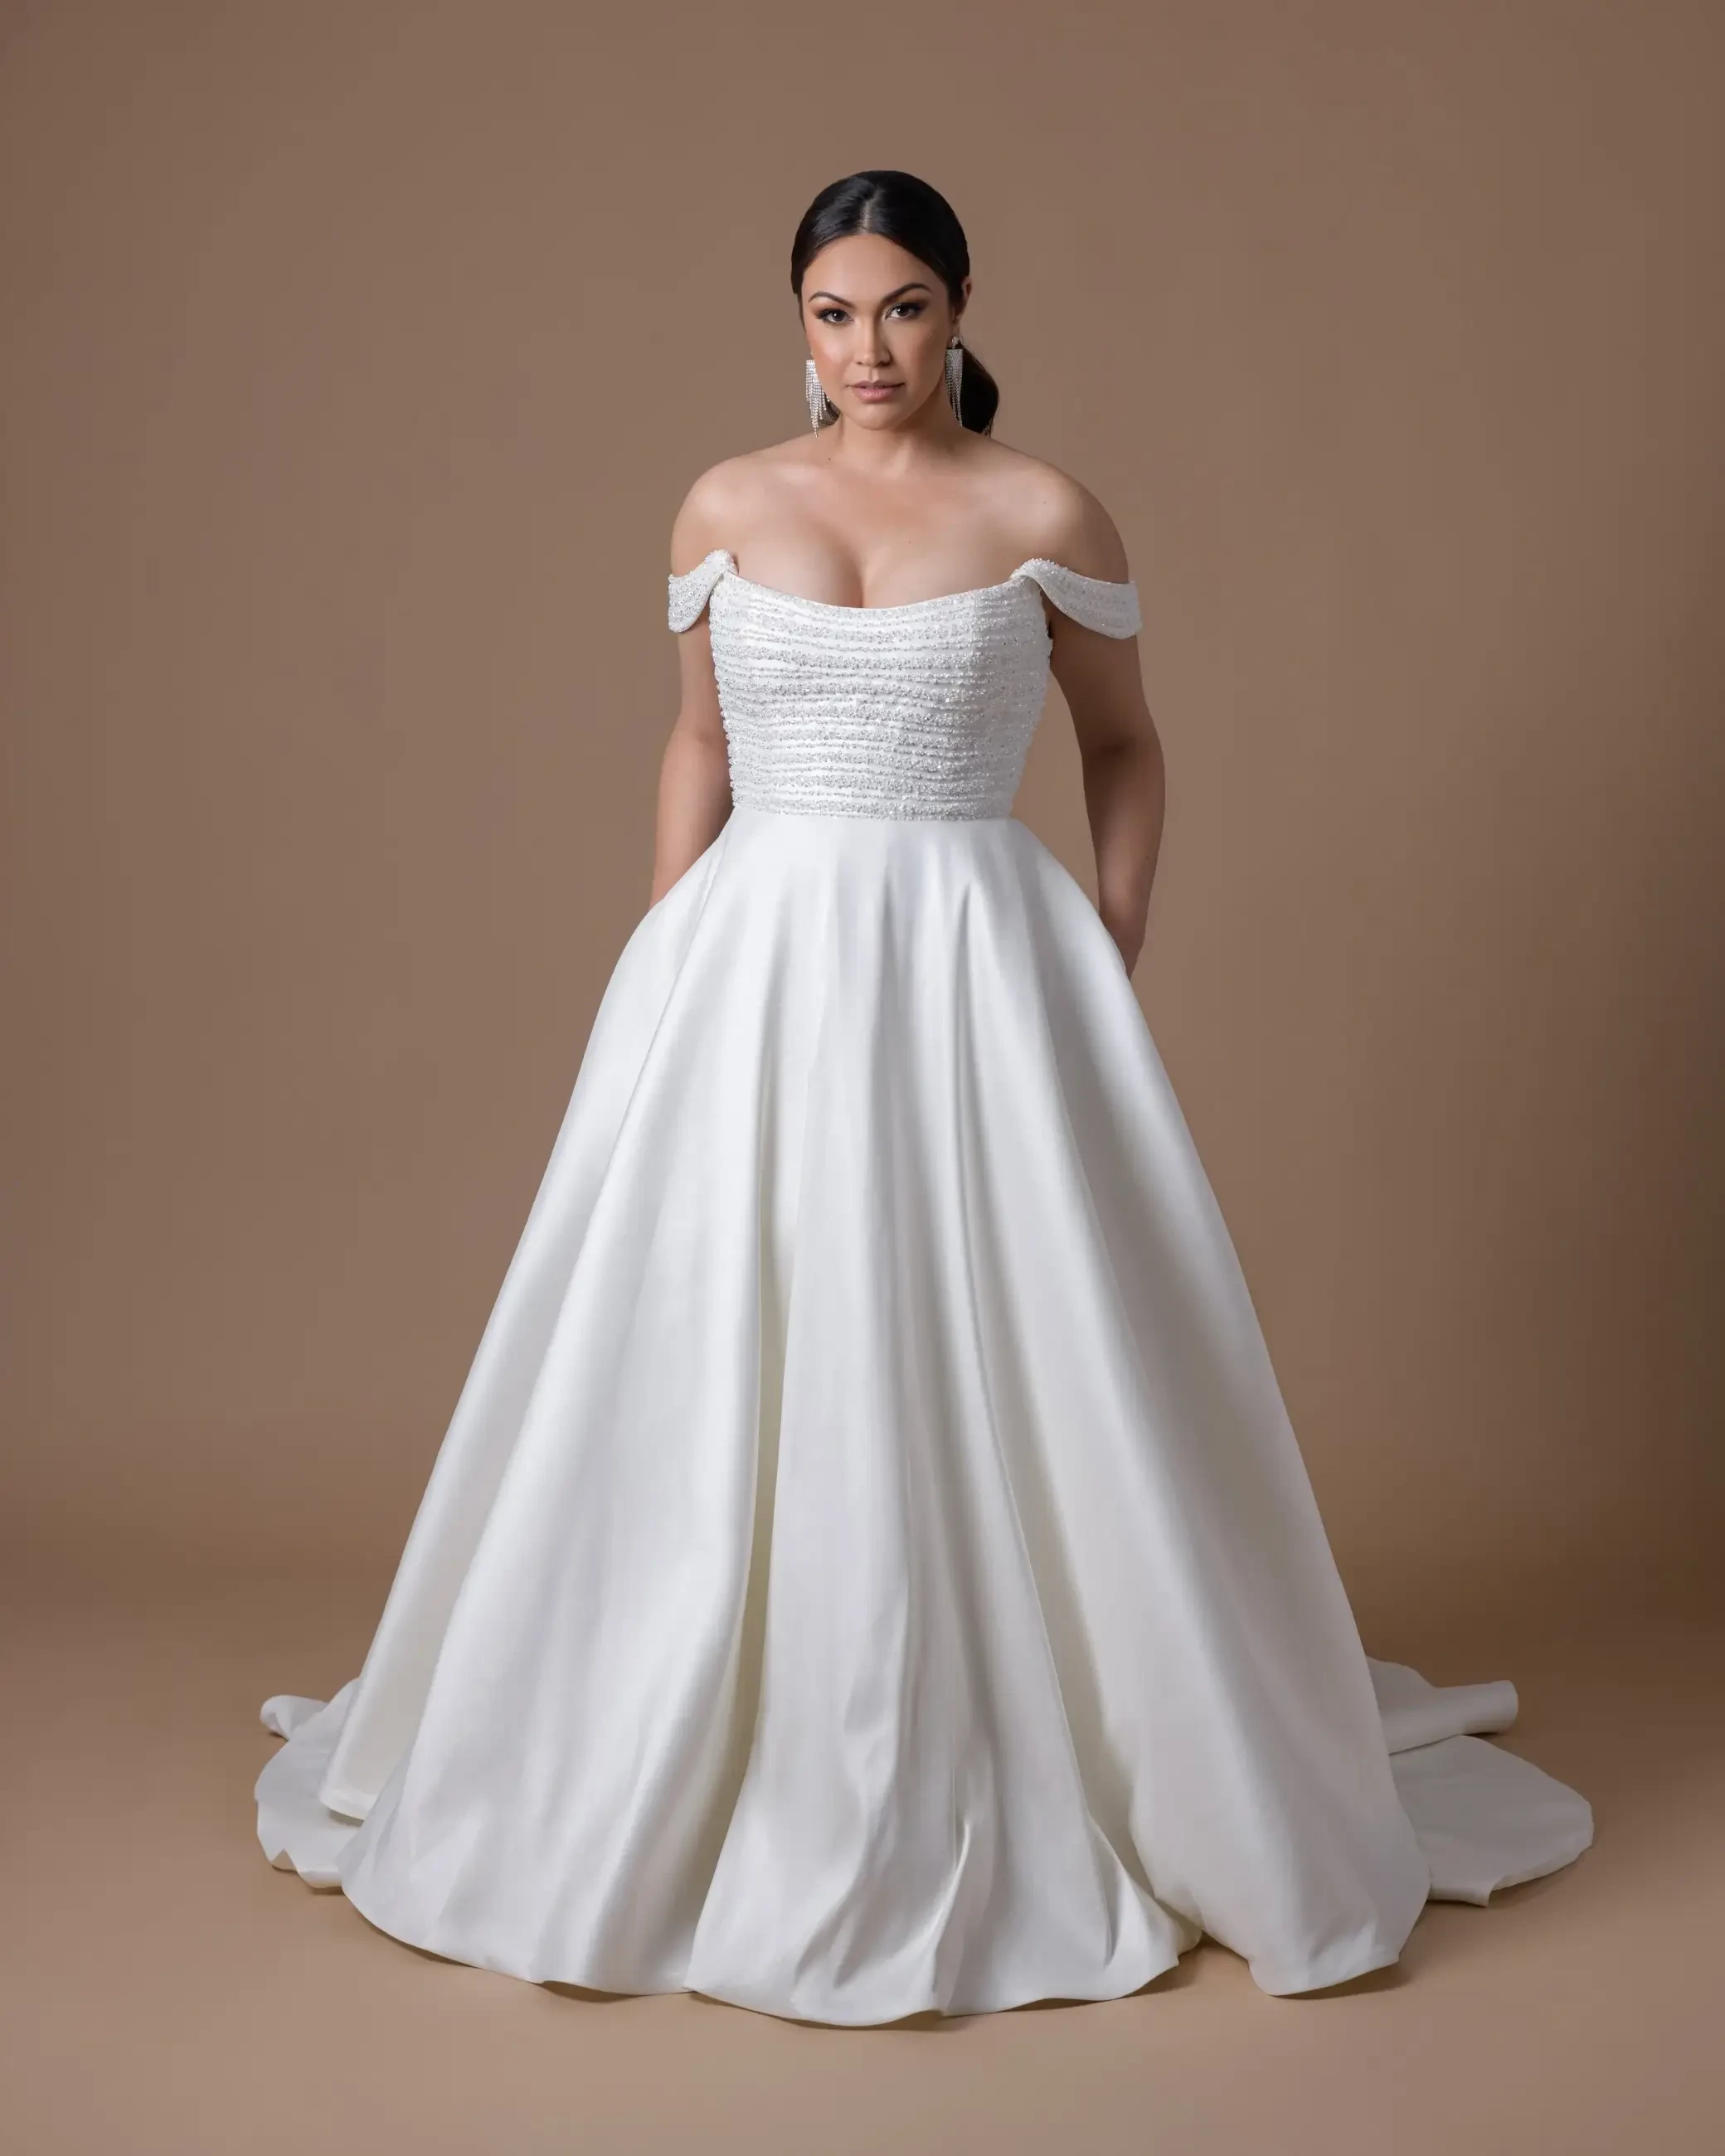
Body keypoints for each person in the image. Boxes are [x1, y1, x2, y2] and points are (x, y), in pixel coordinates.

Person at [256, 169, 1591, 2027]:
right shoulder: (725, 503)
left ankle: (1034, 1729)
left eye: (897, 307)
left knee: (999, 1339)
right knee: (716, 1332)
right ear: (792, 319)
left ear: (957, 305)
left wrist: (1099, 956)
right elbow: (697, 740)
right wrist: (665, 958)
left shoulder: (1042, 507)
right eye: (828, 311)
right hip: (749, 963)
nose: (863, 348)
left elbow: (1123, 746)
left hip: (980, 959)